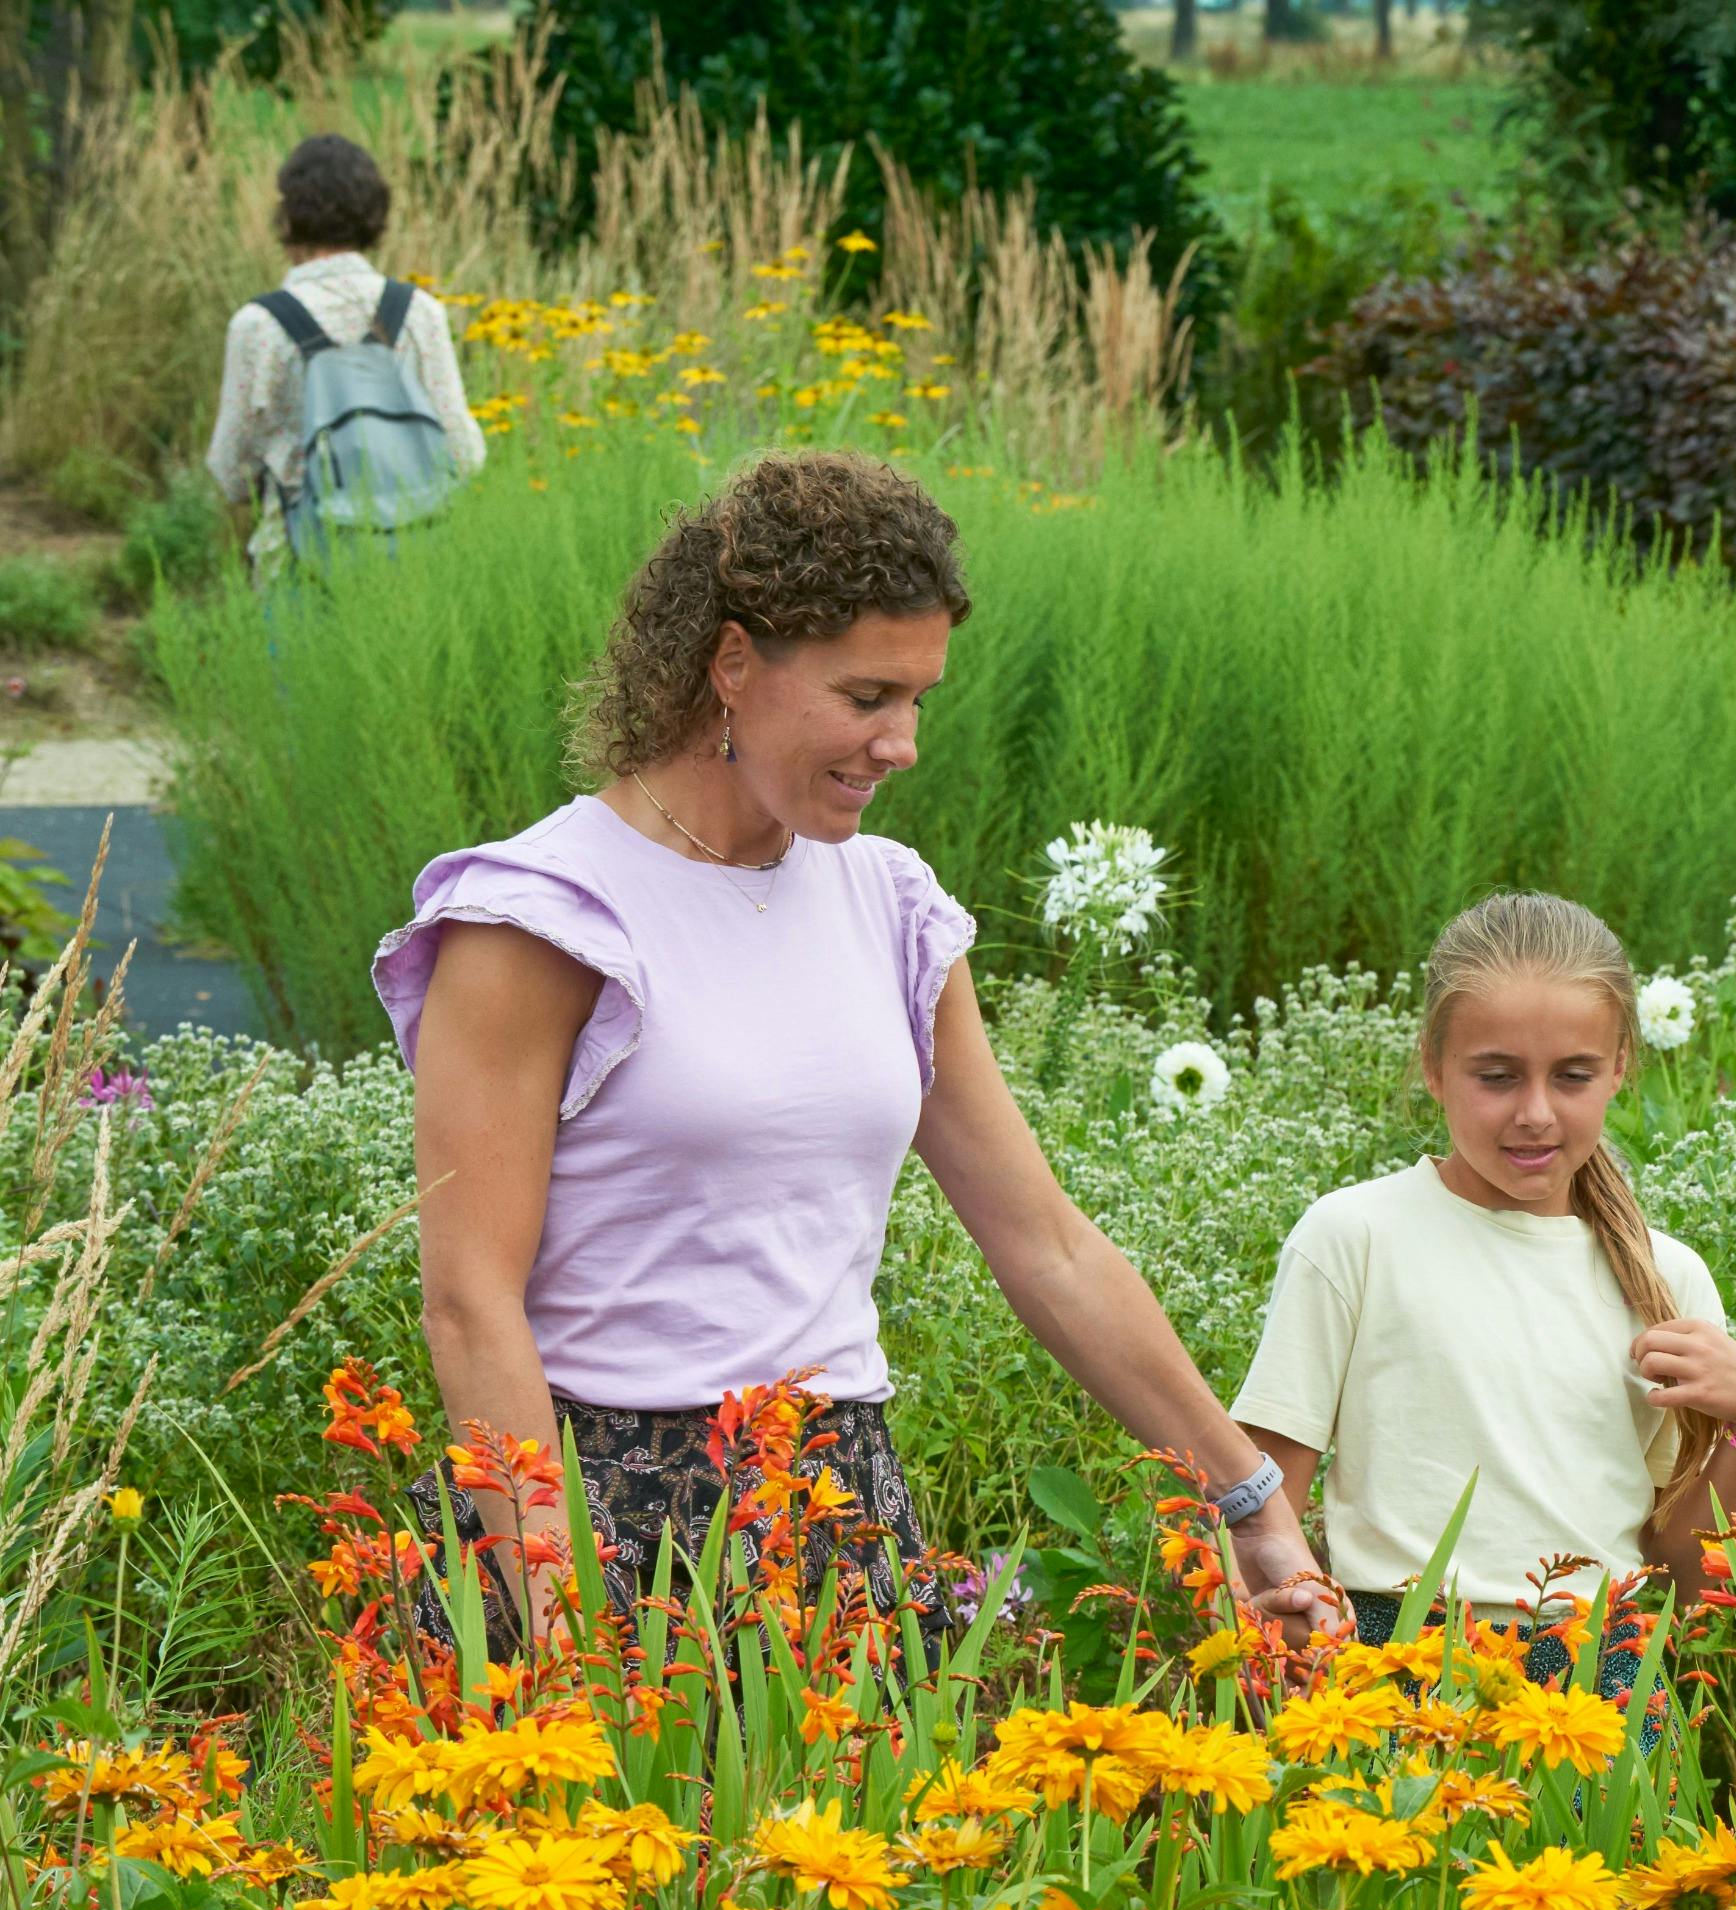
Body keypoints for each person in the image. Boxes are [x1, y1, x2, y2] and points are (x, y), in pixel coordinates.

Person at [380, 449, 1332, 1637]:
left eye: (919, 700)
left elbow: (1047, 1247)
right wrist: (559, 1620)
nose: (902, 743)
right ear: (732, 662)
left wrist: (1248, 1502)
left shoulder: (892, 907)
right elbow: (470, 1303)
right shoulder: (544, 917)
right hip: (593, 1512)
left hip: (839, 1516)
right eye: (867, 696)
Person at [1228, 891, 1736, 1697]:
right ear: (1433, 1066)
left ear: (1621, 1067)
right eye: (1496, 1077)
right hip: (1395, 1663)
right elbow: (1257, 1503)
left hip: (1602, 1680)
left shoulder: (1668, 1279)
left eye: (1573, 1076)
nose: (1534, 1113)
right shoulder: (1354, 1237)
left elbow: (1692, 1583)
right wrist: (1289, 1643)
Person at [204, 134, 484, 569]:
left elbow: (230, 472)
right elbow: (464, 454)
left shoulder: (258, 325)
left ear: (288, 218)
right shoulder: (419, 313)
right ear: (373, 214)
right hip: (414, 557)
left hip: (299, 562)